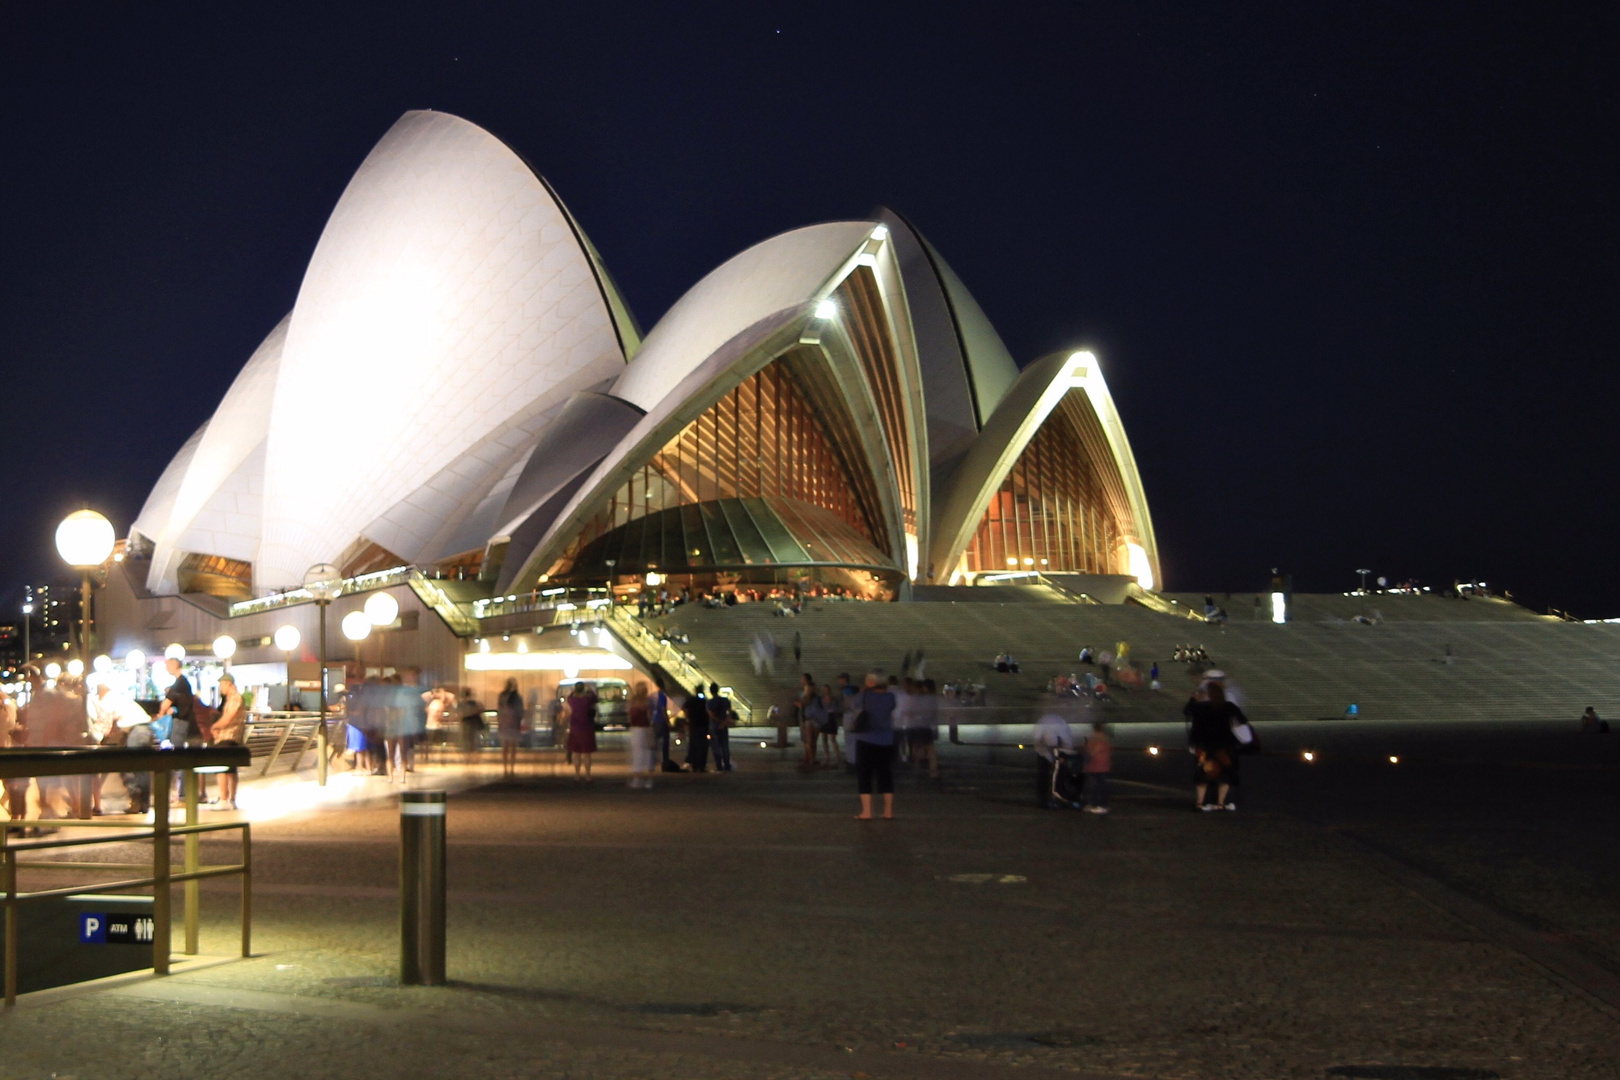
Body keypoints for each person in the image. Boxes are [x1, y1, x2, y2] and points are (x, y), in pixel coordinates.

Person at [1185, 682, 1244, 811]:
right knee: (1225, 774)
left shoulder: (1200, 707)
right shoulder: (1228, 706)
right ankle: (1220, 803)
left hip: (1204, 744)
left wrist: (1193, 699)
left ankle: (1200, 803)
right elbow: (1241, 719)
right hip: (1225, 744)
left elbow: (1187, 711)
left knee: (1202, 773)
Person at [850, 672, 898, 820]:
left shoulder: (865, 696)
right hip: (886, 740)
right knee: (885, 774)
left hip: (866, 739)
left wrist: (865, 690)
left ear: (871, 682)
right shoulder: (890, 698)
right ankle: (888, 811)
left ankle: (867, 811)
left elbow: (853, 705)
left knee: (865, 775)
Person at [1031, 706, 1075, 809]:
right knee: (1060, 777)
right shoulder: (1060, 721)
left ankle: (1042, 800)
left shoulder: (1043, 720)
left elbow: (1037, 739)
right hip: (1055, 750)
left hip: (1044, 750)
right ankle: (1061, 798)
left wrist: (1046, 753)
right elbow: (1067, 740)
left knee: (1043, 777)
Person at [566, 681, 598, 782]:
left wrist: (572, 692)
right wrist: (589, 689)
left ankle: (577, 774)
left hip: (575, 728)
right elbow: (595, 698)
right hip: (587, 728)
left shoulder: (572, 700)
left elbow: (569, 697)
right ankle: (588, 775)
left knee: (576, 753)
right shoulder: (587, 700)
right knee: (587, 753)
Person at [910, 679, 940, 779]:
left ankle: (920, 768)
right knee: (927, 748)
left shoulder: (925, 698)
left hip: (923, 725)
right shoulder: (932, 698)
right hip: (927, 725)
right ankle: (932, 771)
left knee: (924, 747)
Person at [626, 681, 654, 789]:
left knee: (637, 753)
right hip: (646, 728)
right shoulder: (648, 701)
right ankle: (649, 780)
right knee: (648, 753)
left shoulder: (633, 701)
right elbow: (649, 716)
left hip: (636, 729)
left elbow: (630, 715)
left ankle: (637, 779)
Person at [1081, 721, 1112, 814]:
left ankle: (1098, 805)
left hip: (1094, 766)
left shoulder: (1093, 740)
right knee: (1101, 786)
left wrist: (1085, 764)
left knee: (1095, 786)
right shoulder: (1105, 739)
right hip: (1102, 766)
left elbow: (1090, 752)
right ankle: (1100, 805)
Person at [496, 677, 523, 779]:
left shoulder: (502, 696)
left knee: (505, 748)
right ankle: (511, 768)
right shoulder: (517, 697)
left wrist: (500, 721)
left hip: (505, 724)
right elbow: (520, 711)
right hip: (513, 724)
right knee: (512, 748)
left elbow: (499, 710)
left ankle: (506, 769)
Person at [707, 683, 732, 771]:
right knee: (725, 745)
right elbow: (730, 713)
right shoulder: (725, 700)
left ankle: (719, 766)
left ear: (711, 691)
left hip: (714, 726)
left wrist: (719, 722)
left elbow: (711, 715)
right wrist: (724, 722)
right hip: (723, 726)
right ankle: (727, 764)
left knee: (716, 746)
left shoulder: (710, 702)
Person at [458, 687, 485, 764]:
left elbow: (460, 715)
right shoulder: (474, 703)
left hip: (465, 724)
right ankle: (474, 758)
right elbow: (482, 708)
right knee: (473, 741)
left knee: (466, 741)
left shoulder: (461, 704)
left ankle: (467, 758)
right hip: (474, 724)